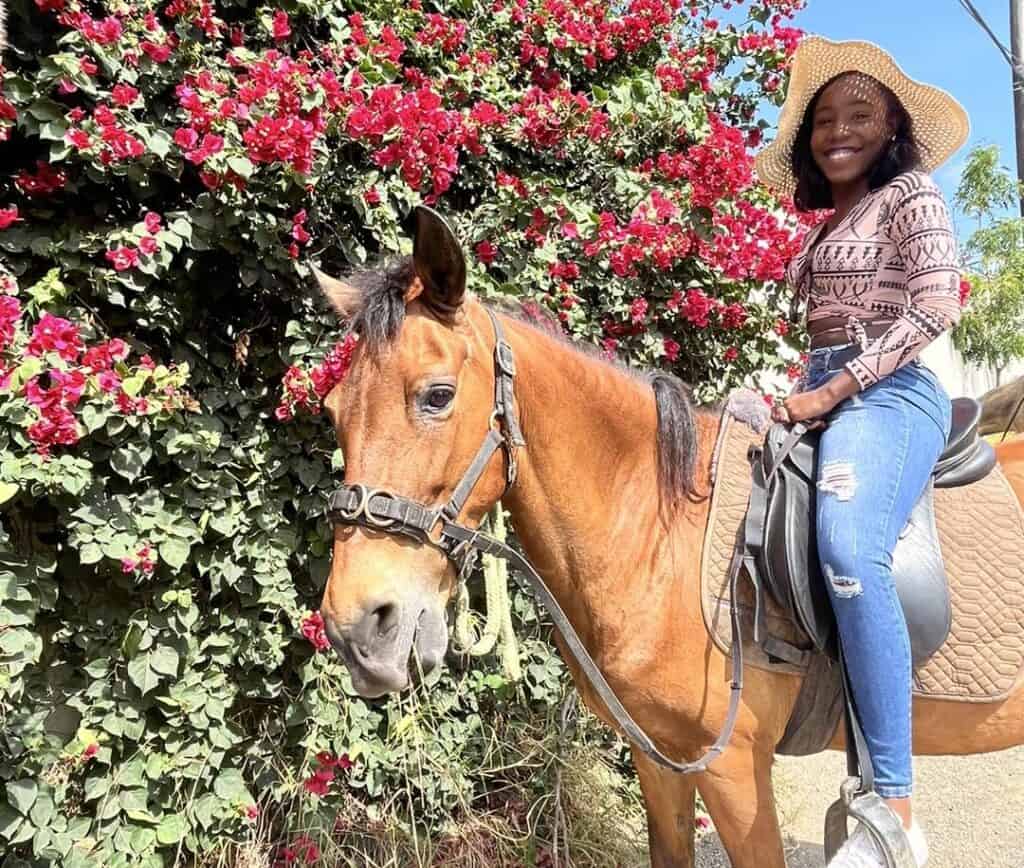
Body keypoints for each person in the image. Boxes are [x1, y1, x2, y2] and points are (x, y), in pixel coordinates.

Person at [755, 36, 970, 868]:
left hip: (893, 395)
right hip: (822, 391)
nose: (838, 130)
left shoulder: (911, 194)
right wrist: (784, 393)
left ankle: (894, 808)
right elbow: (816, 345)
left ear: (891, 131)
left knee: (849, 546)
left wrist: (836, 391)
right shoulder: (827, 225)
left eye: (860, 115)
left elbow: (936, 303)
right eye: (824, 120)